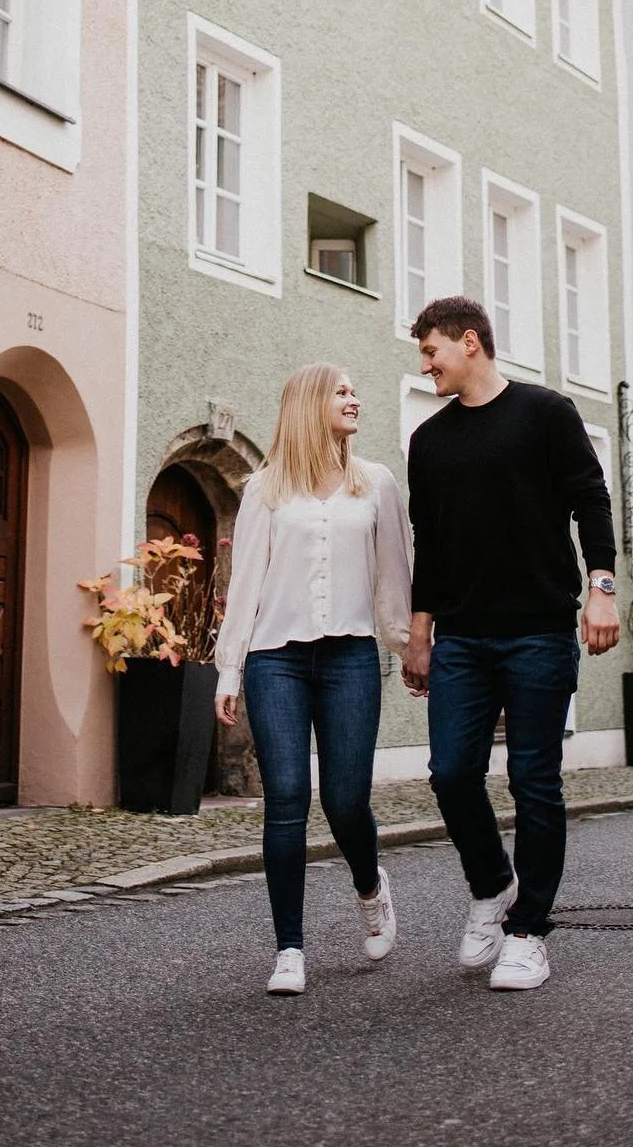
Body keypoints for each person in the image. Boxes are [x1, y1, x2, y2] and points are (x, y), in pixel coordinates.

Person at [401, 295, 620, 992]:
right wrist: (419, 633)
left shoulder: (545, 414)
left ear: (471, 342)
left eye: (432, 351)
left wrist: (602, 585)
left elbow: (592, 498)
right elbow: (428, 546)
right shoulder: (428, 443)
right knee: (451, 772)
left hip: (538, 632)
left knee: (534, 781)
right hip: (462, 637)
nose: (426, 365)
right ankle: (492, 885)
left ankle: (528, 932)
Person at [214, 363, 414, 995]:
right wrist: (230, 667)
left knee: (346, 799)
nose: (355, 399)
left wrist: (410, 647)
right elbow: (244, 579)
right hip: (277, 659)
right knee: (287, 799)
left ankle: (369, 886)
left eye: (357, 389)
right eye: (342, 391)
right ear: (307, 405)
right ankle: (289, 950)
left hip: (352, 658)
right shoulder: (265, 488)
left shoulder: (376, 483)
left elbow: (394, 575)